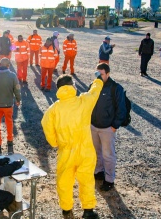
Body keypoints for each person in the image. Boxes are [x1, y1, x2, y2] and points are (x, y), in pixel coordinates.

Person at [41, 73, 104, 219]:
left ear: (58, 89)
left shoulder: (53, 109)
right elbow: (94, 92)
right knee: (87, 180)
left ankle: (67, 210)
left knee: (64, 181)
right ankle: (88, 210)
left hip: (66, 151)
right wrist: (98, 80)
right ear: (72, 86)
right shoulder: (83, 101)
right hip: (85, 149)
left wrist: (54, 142)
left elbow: (46, 124)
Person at [91, 63, 126, 192]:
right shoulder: (93, 86)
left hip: (107, 129)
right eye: (97, 74)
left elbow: (121, 109)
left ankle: (109, 180)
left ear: (108, 74)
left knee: (108, 155)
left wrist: (114, 126)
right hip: (94, 127)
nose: (98, 77)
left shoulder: (116, 88)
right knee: (96, 152)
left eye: (101, 74)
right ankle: (99, 172)